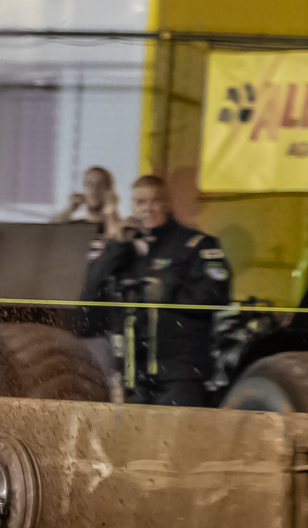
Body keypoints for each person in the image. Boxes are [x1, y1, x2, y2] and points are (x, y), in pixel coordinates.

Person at [80, 174, 232, 406]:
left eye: (154, 201)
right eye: (140, 202)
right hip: (132, 376)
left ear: (167, 204)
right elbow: (89, 294)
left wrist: (167, 293)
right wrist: (116, 246)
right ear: (132, 206)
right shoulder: (126, 249)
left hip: (180, 374)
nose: (147, 209)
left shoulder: (196, 245)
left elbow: (217, 295)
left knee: (175, 440)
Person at [51, 165, 123, 238]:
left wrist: (111, 209)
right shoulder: (77, 226)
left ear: (109, 190)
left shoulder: (119, 226)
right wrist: (71, 209)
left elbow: (118, 237)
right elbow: (49, 230)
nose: (94, 190)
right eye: (89, 184)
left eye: (100, 185)